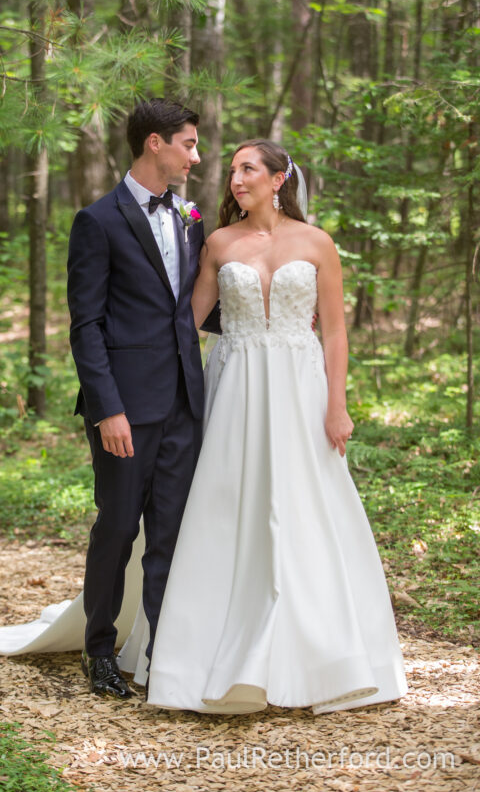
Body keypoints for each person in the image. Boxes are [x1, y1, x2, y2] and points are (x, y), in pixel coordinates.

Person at [137, 139, 408, 713]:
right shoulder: (218, 243)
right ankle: (202, 651)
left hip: (299, 388)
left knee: (307, 504)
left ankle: (321, 654)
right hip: (234, 386)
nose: (236, 179)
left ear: (279, 178)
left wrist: (337, 405)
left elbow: (334, 331)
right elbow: (186, 326)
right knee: (226, 503)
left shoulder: (316, 243)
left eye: (249, 169)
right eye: (232, 170)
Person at [66, 97, 207, 700]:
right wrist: (108, 409)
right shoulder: (97, 221)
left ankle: (160, 656)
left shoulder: (190, 216)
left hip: (185, 403)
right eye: (188, 144)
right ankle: (98, 651)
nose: (195, 157)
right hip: (125, 408)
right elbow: (86, 325)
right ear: (155, 143)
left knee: (171, 533)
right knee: (119, 528)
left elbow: (195, 309)